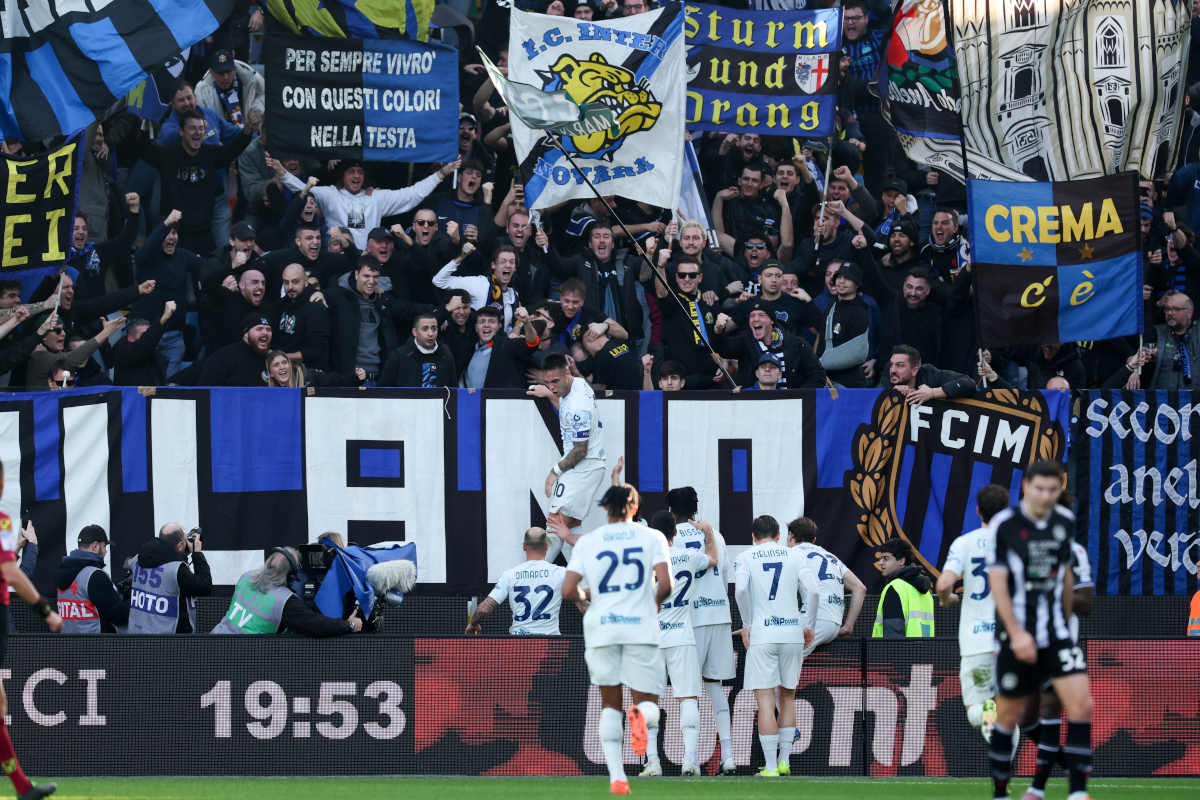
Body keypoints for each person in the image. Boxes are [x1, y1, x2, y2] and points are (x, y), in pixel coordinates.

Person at [986, 460, 1094, 800]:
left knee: (1082, 705)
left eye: (1053, 490)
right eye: (1040, 489)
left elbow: (1065, 578)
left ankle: (1077, 793)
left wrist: (1061, 622)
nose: (1046, 496)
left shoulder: (1063, 521)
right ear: (1026, 488)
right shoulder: (1004, 524)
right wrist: (1017, 633)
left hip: (1056, 634)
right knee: (1009, 715)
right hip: (1016, 635)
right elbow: (999, 585)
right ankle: (1001, 792)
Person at [560, 484, 672, 795]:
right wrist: (652, 602)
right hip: (639, 626)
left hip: (602, 626)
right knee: (649, 705)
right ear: (635, 508)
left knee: (610, 704)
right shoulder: (653, 537)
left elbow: (569, 591)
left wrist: (590, 593)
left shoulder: (589, 541)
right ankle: (640, 715)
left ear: (605, 509)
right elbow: (666, 585)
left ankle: (617, 778)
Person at [733, 514, 819, 777]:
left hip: (762, 634)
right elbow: (814, 592)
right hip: (792, 632)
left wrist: (747, 623)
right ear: (779, 536)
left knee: (765, 701)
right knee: (788, 699)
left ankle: (771, 767)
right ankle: (784, 762)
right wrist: (810, 626)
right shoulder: (794, 555)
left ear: (753, 536)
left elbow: (740, 590)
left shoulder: (745, 557)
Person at [638, 510, 718, 778]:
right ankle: (690, 759)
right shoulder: (689, 556)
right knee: (687, 699)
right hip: (681, 636)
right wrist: (707, 532)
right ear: (675, 533)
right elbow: (714, 559)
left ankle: (653, 762)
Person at [0, 459, 62, 800]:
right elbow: (10, 575)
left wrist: (14, 552)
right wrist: (46, 611)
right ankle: (23, 788)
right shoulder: (2, 520)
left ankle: (23, 788)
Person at [666, 486, 737, 776]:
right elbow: (726, 573)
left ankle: (691, 757)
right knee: (715, 686)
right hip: (719, 613)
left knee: (689, 691)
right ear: (695, 507)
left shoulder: (672, 538)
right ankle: (729, 756)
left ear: (671, 509)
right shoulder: (714, 533)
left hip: (689, 619)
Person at [1019, 535, 1095, 800]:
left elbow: (1085, 603)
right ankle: (1067, 765)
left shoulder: (1074, 551)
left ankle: (1045, 789)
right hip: (1027, 645)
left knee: (1056, 709)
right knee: (1025, 716)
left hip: (1059, 646)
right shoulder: (1021, 546)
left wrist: (1053, 594)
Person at [935, 484, 1012, 742]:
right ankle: (1004, 776)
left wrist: (948, 599)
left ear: (978, 510)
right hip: (1012, 641)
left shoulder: (965, 543)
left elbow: (944, 584)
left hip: (977, 642)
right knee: (1005, 709)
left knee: (977, 712)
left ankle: (994, 713)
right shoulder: (1019, 541)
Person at [279, 157, 462, 251]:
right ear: (343, 175)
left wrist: (444, 172)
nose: (356, 176)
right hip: (337, 259)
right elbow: (300, 187)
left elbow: (413, 194)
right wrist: (278, 168)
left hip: (370, 266)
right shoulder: (330, 194)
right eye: (351, 171)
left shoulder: (375, 197)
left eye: (360, 171)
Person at [539, 352, 608, 561]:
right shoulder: (578, 382)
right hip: (587, 467)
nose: (551, 386)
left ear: (567, 374)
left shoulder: (577, 407)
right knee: (568, 529)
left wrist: (554, 472)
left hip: (582, 468)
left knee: (554, 524)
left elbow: (580, 451)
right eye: (547, 382)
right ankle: (585, 587)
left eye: (555, 381)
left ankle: (533, 576)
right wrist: (551, 394)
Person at [211, 548, 361, 636]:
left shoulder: (246, 576)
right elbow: (315, 624)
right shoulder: (284, 601)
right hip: (243, 656)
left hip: (215, 639)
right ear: (290, 575)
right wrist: (349, 625)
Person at [465, 527, 567, 635]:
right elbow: (584, 607)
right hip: (551, 645)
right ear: (546, 546)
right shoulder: (561, 573)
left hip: (519, 644)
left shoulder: (510, 574)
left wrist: (473, 624)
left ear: (524, 546)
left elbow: (484, 610)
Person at [787, 518, 867, 653]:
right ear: (814, 540)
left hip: (814, 620)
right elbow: (860, 588)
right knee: (789, 665)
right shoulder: (832, 557)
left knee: (775, 663)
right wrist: (848, 627)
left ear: (791, 535)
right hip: (834, 624)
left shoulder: (792, 553)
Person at [127, 524, 212, 634]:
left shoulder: (136, 559)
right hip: (168, 640)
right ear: (179, 546)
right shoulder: (177, 570)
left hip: (136, 634)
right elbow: (205, 586)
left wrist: (181, 555)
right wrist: (197, 553)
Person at [54, 525, 129, 633]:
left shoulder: (63, 571)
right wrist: (134, 599)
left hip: (67, 646)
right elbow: (120, 615)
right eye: (104, 547)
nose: (105, 552)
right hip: (93, 646)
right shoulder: (94, 575)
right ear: (95, 546)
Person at [27, 314, 126, 392]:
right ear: (43, 336)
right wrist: (105, 333)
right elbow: (72, 358)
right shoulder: (39, 356)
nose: (63, 334)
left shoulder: (95, 374)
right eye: (57, 330)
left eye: (64, 329)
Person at [873, 537, 935, 638]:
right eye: (881, 558)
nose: (880, 562)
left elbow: (892, 636)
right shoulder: (926, 592)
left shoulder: (895, 587)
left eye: (886, 558)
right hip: (924, 652)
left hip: (898, 653)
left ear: (901, 561)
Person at [273, 264, 331, 369]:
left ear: (306, 281)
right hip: (285, 371)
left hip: (309, 374)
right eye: (286, 282)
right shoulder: (282, 304)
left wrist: (283, 358)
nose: (290, 287)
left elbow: (317, 349)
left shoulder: (315, 307)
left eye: (295, 282)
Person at [380, 311, 457, 388]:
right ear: (415, 332)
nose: (430, 333)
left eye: (434, 329)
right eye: (424, 329)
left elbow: (454, 387)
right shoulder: (398, 356)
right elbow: (383, 390)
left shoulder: (445, 352)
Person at [199, 313, 275, 387]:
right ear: (246, 333)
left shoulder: (272, 359)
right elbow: (204, 393)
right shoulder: (224, 358)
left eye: (268, 329)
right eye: (259, 329)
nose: (265, 333)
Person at [884, 344, 976, 403]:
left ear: (914, 371)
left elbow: (968, 383)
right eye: (892, 365)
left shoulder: (929, 373)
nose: (893, 370)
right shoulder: (886, 379)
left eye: (900, 365)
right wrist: (894, 392)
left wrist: (932, 393)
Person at [113, 304, 175, 386]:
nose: (148, 336)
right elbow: (141, 346)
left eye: (149, 333)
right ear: (130, 338)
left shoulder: (155, 355)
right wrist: (163, 319)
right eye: (144, 334)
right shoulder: (123, 353)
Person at [1149, 292, 1199, 390]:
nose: (1170, 313)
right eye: (1167, 309)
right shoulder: (1156, 334)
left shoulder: (1198, 332)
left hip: (1195, 401)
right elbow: (1143, 364)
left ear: (1189, 312)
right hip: (1162, 401)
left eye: (1176, 309)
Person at [264, 351, 365, 388]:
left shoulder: (308, 377)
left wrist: (356, 377)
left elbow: (336, 380)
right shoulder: (268, 394)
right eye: (276, 365)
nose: (282, 367)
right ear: (271, 373)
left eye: (285, 362)